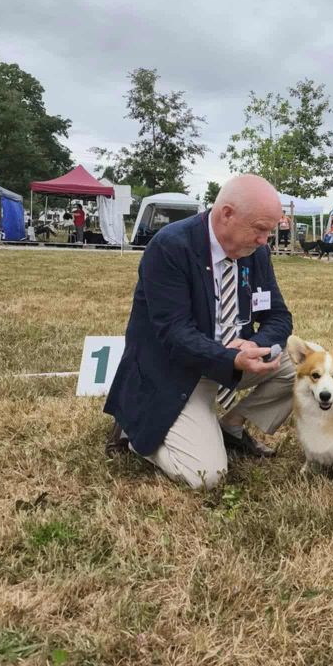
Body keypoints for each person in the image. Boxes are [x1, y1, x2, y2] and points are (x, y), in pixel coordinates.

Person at [104, 174, 295, 489]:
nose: (265, 240)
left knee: (309, 365)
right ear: (227, 214)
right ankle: (135, 432)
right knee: (207, 477)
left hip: (231, 362)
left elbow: (278, 316)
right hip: (176, 370)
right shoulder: (170, 246)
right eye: (260, 229)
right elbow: (175, 332)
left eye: (270, 231)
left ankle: (231, 426)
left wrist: (257, 344)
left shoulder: (256, 253)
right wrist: (230, 358)